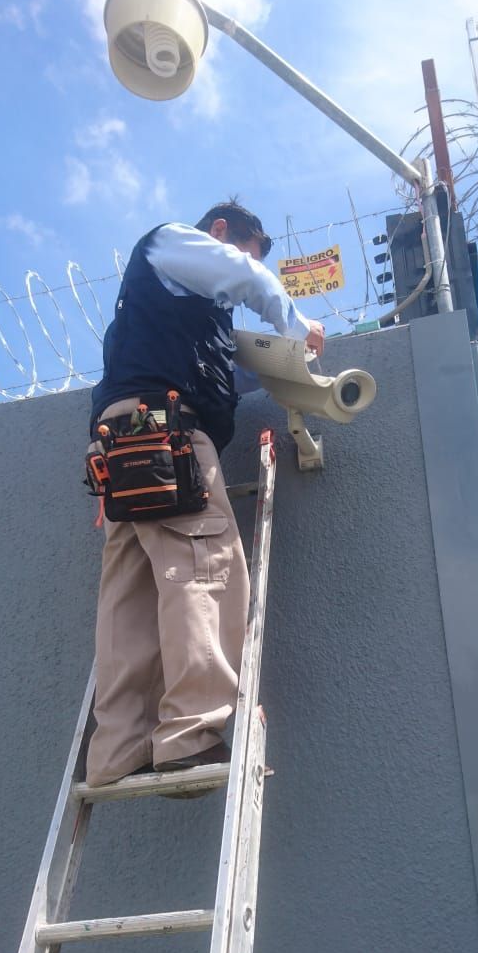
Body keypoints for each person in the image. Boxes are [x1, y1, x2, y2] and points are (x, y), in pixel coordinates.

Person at [85, 200, 324, 787]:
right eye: (245, 249)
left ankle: (118, 748)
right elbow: (247, 277)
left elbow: (220, 372)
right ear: (219, 232)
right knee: (205, 568)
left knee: (131, 594)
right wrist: (297, 327)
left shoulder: (171, 310)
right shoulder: (171, 242)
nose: (245, 266)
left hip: (124, 440)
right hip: (167, 436)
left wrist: (284, 364)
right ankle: (191, 734)